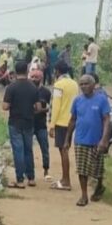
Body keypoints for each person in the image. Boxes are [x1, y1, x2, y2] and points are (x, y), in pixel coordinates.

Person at [64, 74, 110, 207]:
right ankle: (84, 195)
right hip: (80, 139)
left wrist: (104, 139)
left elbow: (107, 120)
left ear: (93, 85)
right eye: (81, 84)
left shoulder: (101, 100)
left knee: (97, 169)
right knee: (82, 169)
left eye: (86, 84)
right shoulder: (77, 100)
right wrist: (67, 139)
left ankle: (99, 186)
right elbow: (73, 120)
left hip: (96, 140)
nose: (83, 86)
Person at [2, 61, 39, 188]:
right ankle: (31, 178)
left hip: (15, 123)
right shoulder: (33, 87)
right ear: (27, 70)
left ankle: (20, 180)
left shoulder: (11, 87)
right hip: (29, 122)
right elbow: (38, 107)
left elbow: (5, 107)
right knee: (28, 150)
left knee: (18, 151)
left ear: (15, 71)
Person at [49, 61, 78, 191]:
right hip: (71, 121)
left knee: (63, 151)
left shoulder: (58, 85)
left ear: (57, 71)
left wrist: (52, 125)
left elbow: (56, 106)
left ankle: (66, 180)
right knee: (65, 149)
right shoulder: (74, 84)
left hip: (61, 121)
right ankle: (64, 179)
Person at [30, 69, 53, 182]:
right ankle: (29, 171)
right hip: (29, 124)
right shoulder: (28, 90)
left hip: (41, 125)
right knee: (28, 149)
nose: (34, 79)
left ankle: (46, 170)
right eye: (32, 77)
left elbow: (51, 107)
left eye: (36, 77)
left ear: (41, 78)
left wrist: (41, 110)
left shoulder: (46, 92)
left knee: (45, 148)